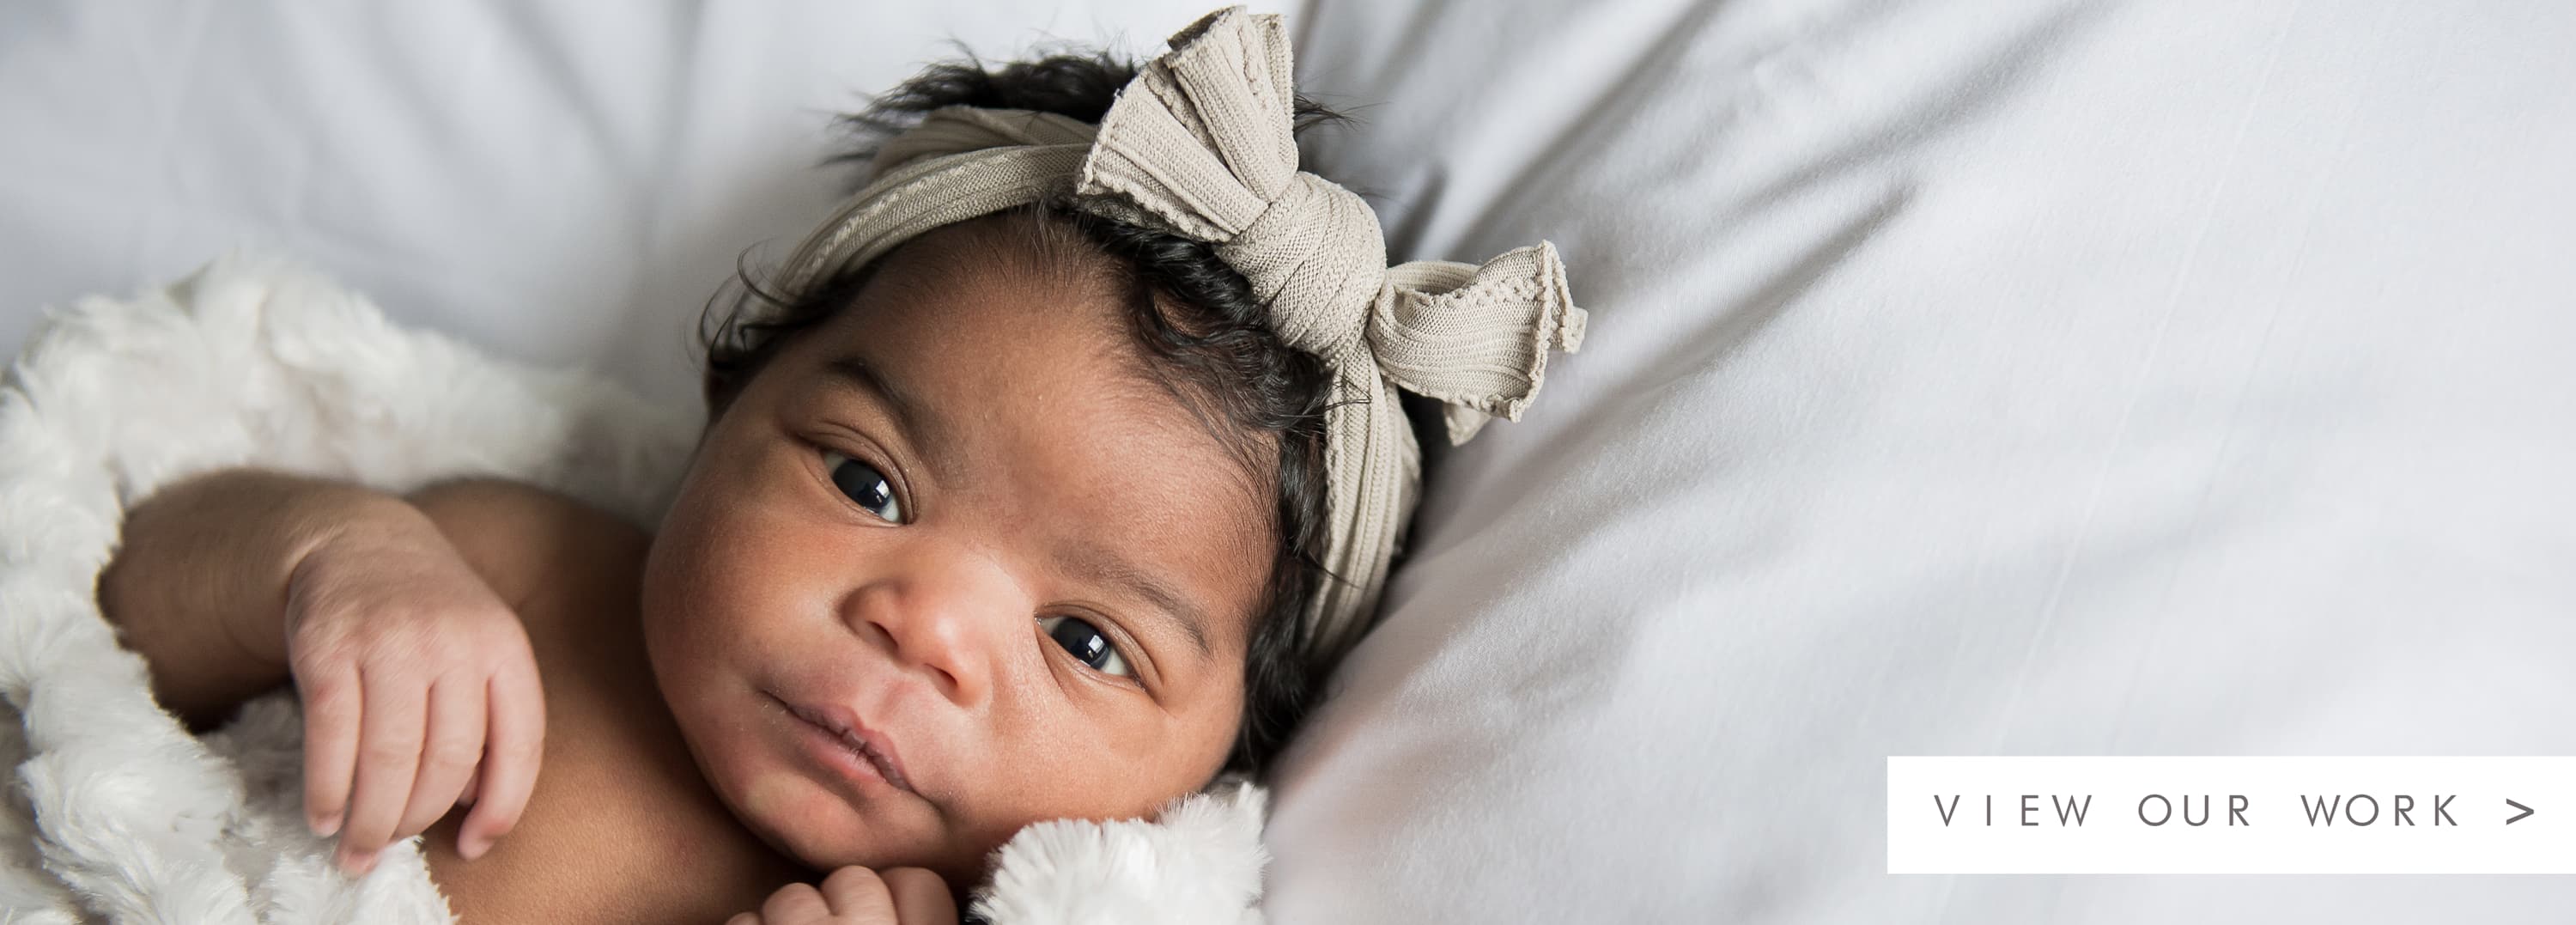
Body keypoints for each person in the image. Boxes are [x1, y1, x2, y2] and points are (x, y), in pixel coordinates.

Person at [95, 8, 1583, 922]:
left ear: (1216, 766)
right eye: (867, 483)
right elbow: (110, 602)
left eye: (1087, 640)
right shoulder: (528, 565)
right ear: (732, 396)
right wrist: (328, 562)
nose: (923, 627)